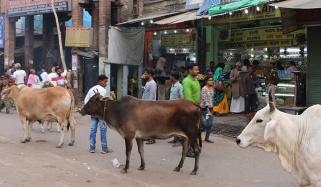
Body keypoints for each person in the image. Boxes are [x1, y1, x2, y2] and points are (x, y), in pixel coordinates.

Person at [84, 75, 113, 154]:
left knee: (93, 130)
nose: (106, 84)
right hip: (101, 114)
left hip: (93, 113)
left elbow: (85, 101)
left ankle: (92, 148)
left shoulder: (91, 89)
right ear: (100, 81)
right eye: (105, 81)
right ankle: (104, 148)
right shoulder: (102, 90)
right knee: (103, 130)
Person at [182, 63, 201, 158]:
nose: (197, 71)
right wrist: (197, 106)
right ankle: (188, 150)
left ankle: (193, 147)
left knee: (196, 129)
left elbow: (198, 94)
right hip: (189, 110)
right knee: (190, 131)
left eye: (198, 69)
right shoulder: (186, 81)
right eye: (195, 69)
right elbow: (188, 99)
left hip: (196, 109)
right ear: (190, 70)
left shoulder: (196, 80)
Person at [168, 71, 184, 146]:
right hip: (171, 108)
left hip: (177, 108)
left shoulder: (179, 86)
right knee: (173, 124)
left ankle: (180, 140)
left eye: (170, 76)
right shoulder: (173, 85)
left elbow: (182, 97)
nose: (169, 77)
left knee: (178, 125)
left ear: (173, 77)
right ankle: (175, 139)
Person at [142, 68, 157, 144]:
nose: (144, 75)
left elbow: (151, 96)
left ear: (150, 74)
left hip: (150, 106)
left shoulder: (152, 83)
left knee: (151, 123)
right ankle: (147, 137)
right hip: (145, 105)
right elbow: (145, 94)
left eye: (145, 74)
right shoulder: (147, 82)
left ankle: (152, 138)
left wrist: (149, 107)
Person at [200, 77, 214, 143]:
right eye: (210, 80)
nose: (211, 81)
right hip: (205, 109)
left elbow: (212, 98)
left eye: (212, 80)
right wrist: (208, 109)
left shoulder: (212, 88)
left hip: (211, 108)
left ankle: (207, 138)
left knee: (210, 124)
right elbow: (204, 99)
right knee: (206, 124)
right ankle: (200, 134)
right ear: (206, 81)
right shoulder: (204, 89)